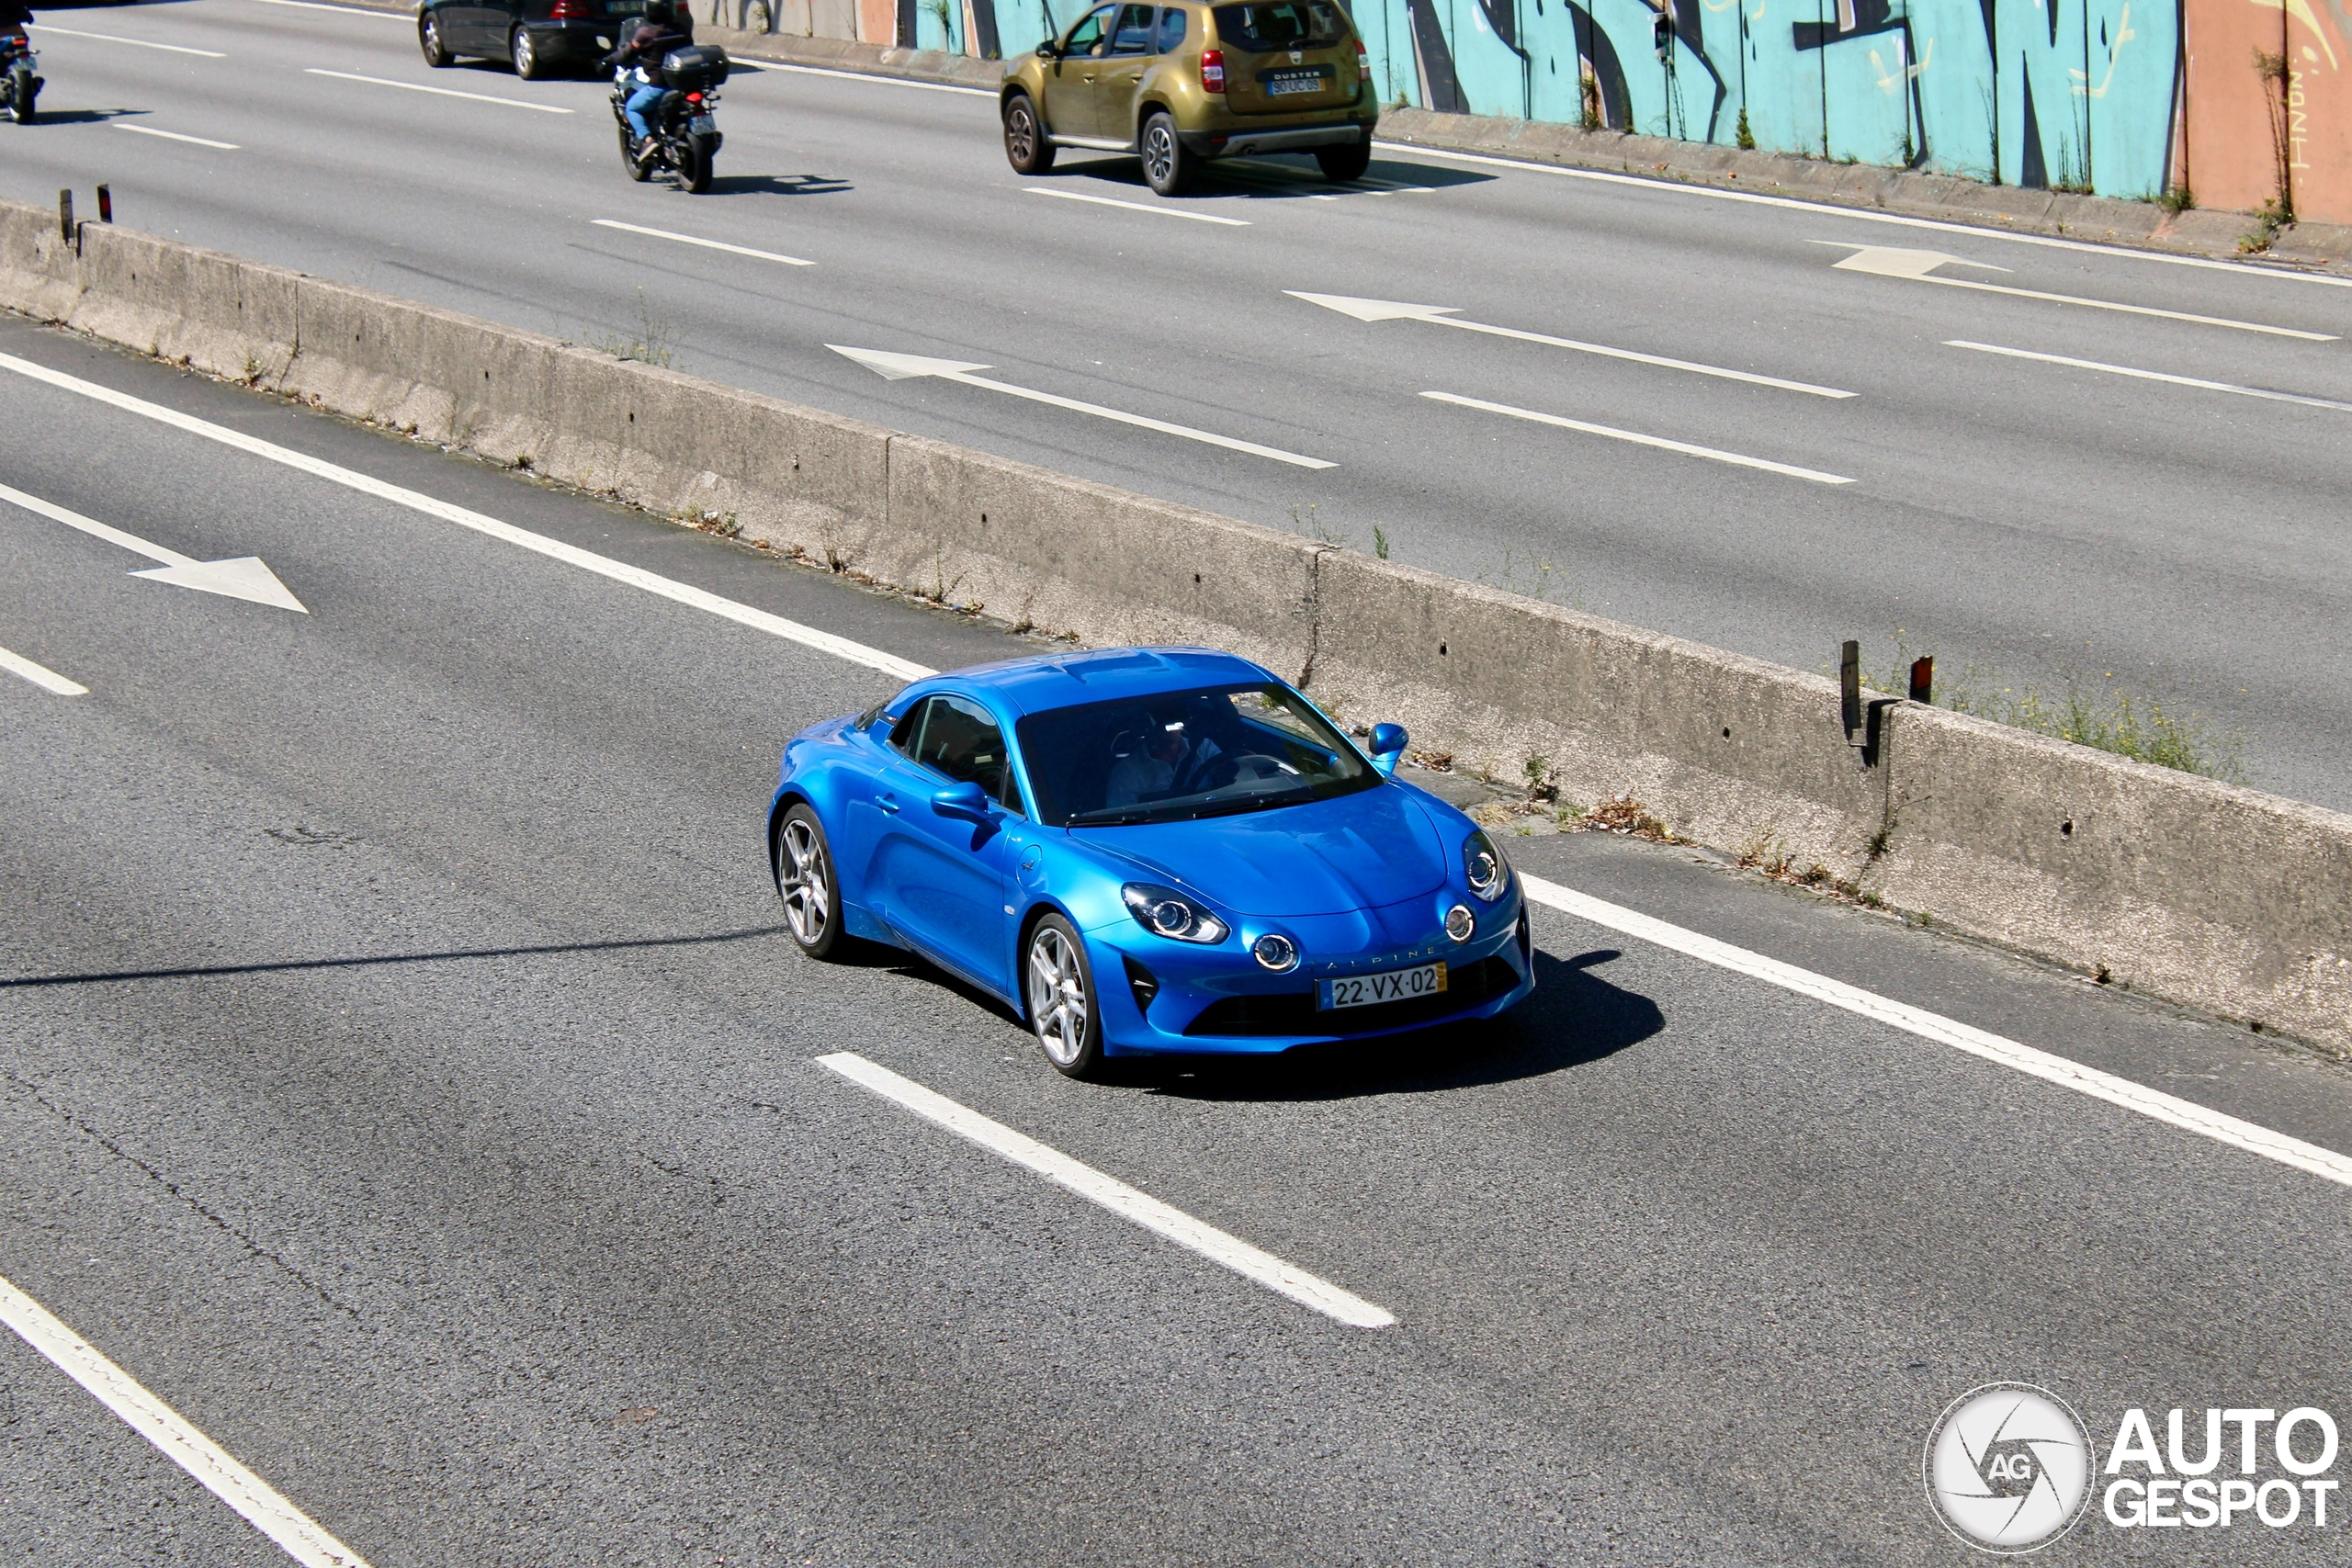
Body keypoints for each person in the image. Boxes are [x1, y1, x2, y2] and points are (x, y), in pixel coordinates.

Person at [604, 1, 695, 168]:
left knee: (632, 108)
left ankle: (647, 139)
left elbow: (627, 53)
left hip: (660, 87)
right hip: (684, 84)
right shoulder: (682, 29)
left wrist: (607, 61)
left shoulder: (646, 33)